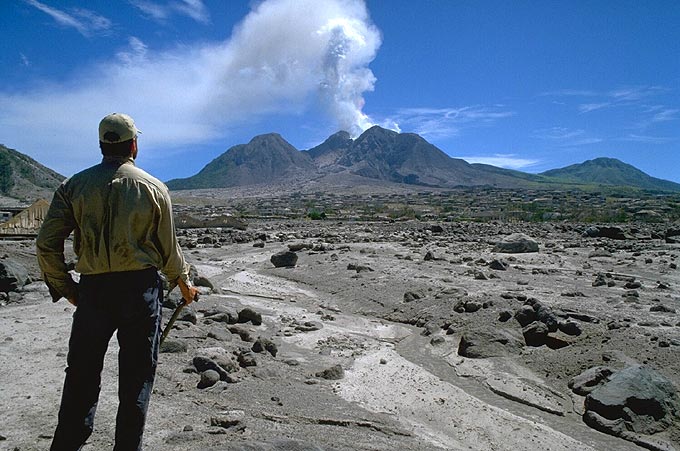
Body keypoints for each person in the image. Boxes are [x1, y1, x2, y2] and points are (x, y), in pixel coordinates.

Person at [37, 112, 199, 451]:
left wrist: (68, 290)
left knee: (81, 376)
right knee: (136, 381)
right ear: (134, 145)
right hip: (139, 293)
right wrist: (183, 284)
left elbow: (46, 244)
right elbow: (169, 249)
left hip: (93, 291)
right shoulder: (154, 188)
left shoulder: (73, 187)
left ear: (100, 145)